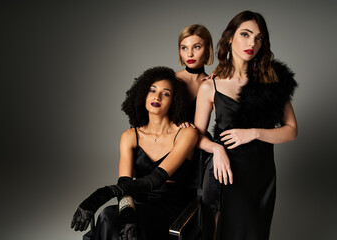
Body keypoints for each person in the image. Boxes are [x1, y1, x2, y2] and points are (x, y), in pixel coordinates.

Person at [194, 11, 298, 239]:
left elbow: (291, 130)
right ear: (230, 38)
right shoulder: (210, 87)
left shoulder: (272, 81)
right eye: (245, 34)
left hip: (261, 176)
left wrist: (253, 133)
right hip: (224, 173)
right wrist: (217, 148)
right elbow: (197, 136)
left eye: (259, 38)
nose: (252, 43)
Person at [71, 66, 198, 240]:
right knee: (109, 216)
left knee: (133, 225)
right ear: (142, 95)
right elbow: (125, 182)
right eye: (152, 90)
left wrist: (102, 194)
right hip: (139, 203)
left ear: (174, 100)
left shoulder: (186, 133)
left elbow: (155, 179)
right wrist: (127, 212)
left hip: (171, 209)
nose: (157, 97)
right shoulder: (130, 136)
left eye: (166, 93)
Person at [176, 24, 214, 124]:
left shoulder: (212, 84)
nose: (189, 54)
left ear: (207, 49)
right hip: (170, 138)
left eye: (196, 47)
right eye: (184, 48)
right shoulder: (170, 79)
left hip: (200, 137)